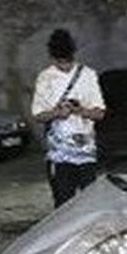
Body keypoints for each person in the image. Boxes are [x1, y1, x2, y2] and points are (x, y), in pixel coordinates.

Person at [31, 29, 106, 207]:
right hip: (59, 156)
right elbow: (38, 115)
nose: (64, 66)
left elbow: (99, 114)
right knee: (63, 204)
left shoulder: (88, 75)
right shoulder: (46, 77)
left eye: (67, 61)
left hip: (86, 153)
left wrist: (80, 111)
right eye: (60, 62)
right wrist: (58, 113)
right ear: (53, 58)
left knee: (89, 204)